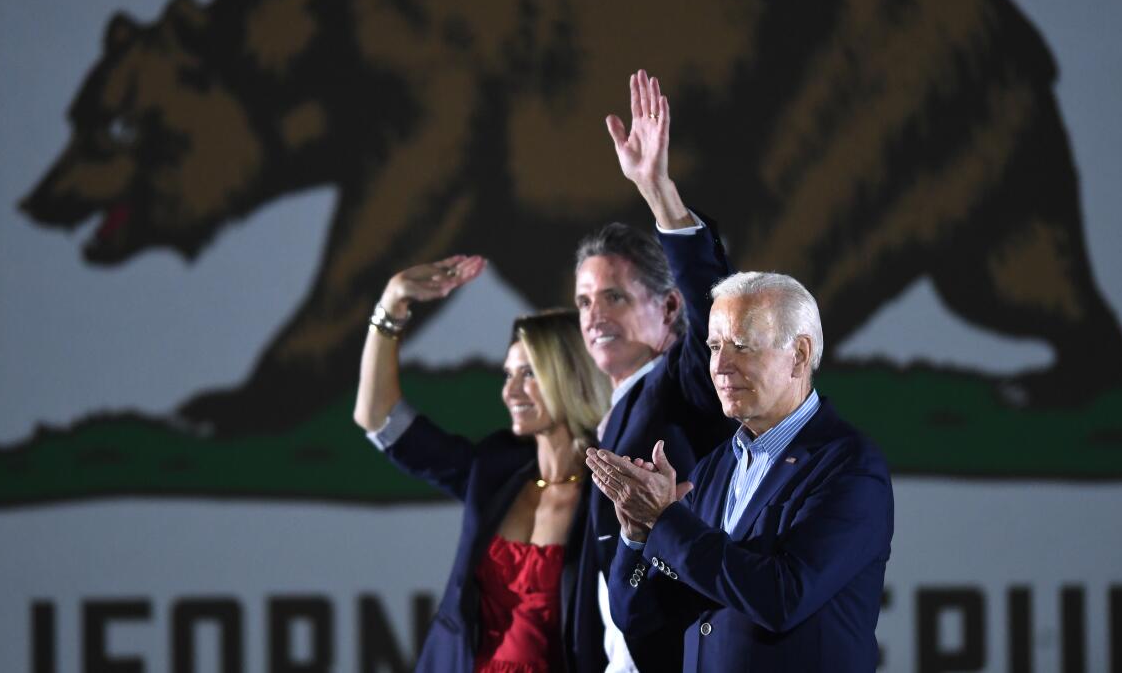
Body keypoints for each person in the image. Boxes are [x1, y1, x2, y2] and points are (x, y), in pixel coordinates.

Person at [587, 272, 894, 672]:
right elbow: (640, 618)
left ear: (800, 354)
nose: (720, 366)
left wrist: (665, 518)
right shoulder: (717, 467)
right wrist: (637, 535)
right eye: (714, 346)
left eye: (742, 346)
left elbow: (783, 597)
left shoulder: (849, 466)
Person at [355, 255, 611, 673]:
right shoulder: (496, 467)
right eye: (507, 375)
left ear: (571, 374)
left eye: (529, 373)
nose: (511, 391)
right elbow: (378, 417)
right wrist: (393, 303)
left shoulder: (610, 493)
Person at [567, 69, 736, 672]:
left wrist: (659, 192)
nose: (594, 315)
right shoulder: (612, 414)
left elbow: (714, 304)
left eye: (614, 296)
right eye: (585, 301)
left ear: (667, 308)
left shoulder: (689, 381)